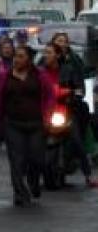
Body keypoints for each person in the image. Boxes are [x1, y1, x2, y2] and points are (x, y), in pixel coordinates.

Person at [0, 46, 52, 206]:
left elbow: (50, 96)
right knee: (17, 160)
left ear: (29, 59)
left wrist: (47, 115)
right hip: (13, 123)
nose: (16, 60)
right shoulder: (4, 76)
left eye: (20, 56)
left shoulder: (40, 75)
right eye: (15, 56)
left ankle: (33, 182)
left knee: (37, 159)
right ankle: (20, 193)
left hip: (36, 123)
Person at [40, 43, 98, 188]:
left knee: (77, 139)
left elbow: (78, 88)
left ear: (58, 55)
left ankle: (88, 174)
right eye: (45, 53)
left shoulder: (68, 70)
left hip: (65, 110)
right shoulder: (40, 72)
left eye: (50, 53)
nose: (46, 56)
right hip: (45, 112)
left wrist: (73, 93)